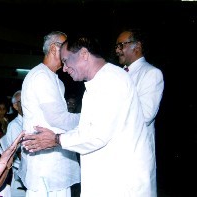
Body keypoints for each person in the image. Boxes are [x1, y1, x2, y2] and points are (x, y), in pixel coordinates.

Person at [22, 34, 157, 197]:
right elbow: (87, 129)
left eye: (66, 60)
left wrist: (56, 139)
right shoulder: (97, 83)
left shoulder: (110, 81)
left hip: (122, 182)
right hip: (107, 178)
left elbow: (96, 135)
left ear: (84, 54)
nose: (64, 68)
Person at [19, 31, 81, 197]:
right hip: (45, 163)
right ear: (54, 49)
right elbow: (59, 119)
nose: (70, 54)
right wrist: (90, 118)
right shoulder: (41, 76)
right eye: (67, 48)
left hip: (54, 158)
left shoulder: (56, 80)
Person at [115, 28, 164, 137]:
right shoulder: (118, 74)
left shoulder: (151, 73)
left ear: (137, 46)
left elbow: (145, 115)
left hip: (136, 148)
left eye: (121, 45)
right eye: (116, 46)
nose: (117, 50)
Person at [4, 90, 24, 187]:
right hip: (20, 168)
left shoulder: (31, 121)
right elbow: (20, 154)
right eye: (22, 100)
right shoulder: (15, 125)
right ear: (15, 106)